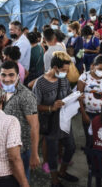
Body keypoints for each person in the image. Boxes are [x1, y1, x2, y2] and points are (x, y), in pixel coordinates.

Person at [32, 52, 78, 187]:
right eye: (63, 70)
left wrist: (75, 97)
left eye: (66, 70)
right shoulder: (40, 83)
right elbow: (35, 106)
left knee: (71, 147)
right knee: (52, 153)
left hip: (65, 121)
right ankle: (54, 180)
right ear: (55, 67)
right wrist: (51, 107)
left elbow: (68, 93)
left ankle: (62, 172)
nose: (65, 73)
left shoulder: (64, 79)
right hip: (50, 123)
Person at [0, 61, 40, 181]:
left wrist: (34, 154)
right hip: (4, 149)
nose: (7, 79)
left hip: (21, 151)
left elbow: (35, 126)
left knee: (21, 180)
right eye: (3, 75)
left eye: (11, 75)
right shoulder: (2, 91)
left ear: (18, 76)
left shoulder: (26, 96)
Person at [78, 55, 102, 148]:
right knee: (90, 138)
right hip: (88, 113)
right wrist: (83, 114)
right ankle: (90, 159)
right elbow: (79, 97)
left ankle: (98, 158)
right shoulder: (84, 77)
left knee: (101, 138)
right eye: (100, 68)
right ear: (93, 65)